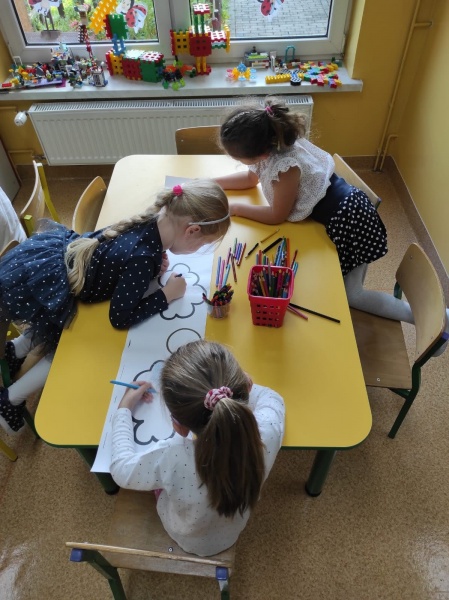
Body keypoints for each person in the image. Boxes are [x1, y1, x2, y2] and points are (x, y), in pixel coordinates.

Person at [215, 95, 449, 350]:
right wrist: (212, 183)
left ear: (260, 153)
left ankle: (434, 321)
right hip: (344, 211)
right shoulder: (275, 140)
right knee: (331, 283)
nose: (239, 163)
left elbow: (276, 216)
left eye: (239, 159)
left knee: (352, 295)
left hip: (350, 221)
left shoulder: (285, 166)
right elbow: (250, 180)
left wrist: (236, 208)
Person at [0, 179, 230, 434]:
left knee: (50, 319)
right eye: (202, 244)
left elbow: (124, 259)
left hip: (58, 264)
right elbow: (119, 317)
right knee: (64, 350)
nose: (199, 249)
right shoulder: (143, 257)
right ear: (192, 231)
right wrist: (166, 295)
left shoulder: (152, 221)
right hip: (61, 286)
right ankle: (10, 400)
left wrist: (155, 265)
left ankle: (15, 349)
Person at [110, 339, 285, 557]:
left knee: (160, 481)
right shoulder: (265, 434)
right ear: (246, 389)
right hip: (231, 534)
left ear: (178, 426)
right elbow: (273, 399)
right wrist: (242, 385)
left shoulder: (171, 457)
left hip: (185, 535)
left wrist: (124, 407)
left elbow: (120, 469)